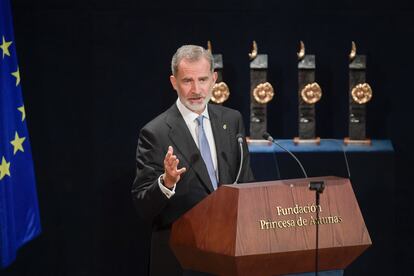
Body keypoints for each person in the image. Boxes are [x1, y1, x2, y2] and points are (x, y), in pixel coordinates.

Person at [131, 44, 255, 276]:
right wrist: (166, 183)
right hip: (180, 260)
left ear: (214, 79)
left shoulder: (232, 120)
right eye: (187, 81)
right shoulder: (155, 132)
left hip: (228, 255)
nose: (197, 89)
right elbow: (142, 205)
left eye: (203, 79)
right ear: (173, 82)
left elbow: (246, 182)